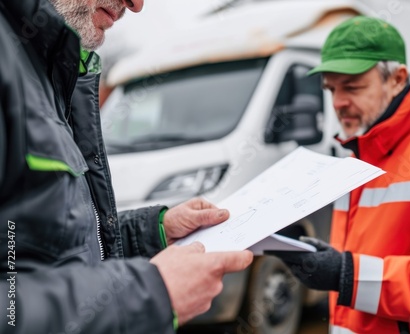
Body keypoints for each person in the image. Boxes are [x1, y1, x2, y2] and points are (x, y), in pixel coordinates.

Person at [0, 0, 253, 333]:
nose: (136, 5)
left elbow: (34, 247)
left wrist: (152, 231)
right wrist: (148, 293)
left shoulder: (48, 70)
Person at [267, 16, 410, 333]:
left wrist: (345, 273)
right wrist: (326, 259)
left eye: (352, 87)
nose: (338, 103)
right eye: (331, 89)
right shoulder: (357, 157)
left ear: (397, 79)